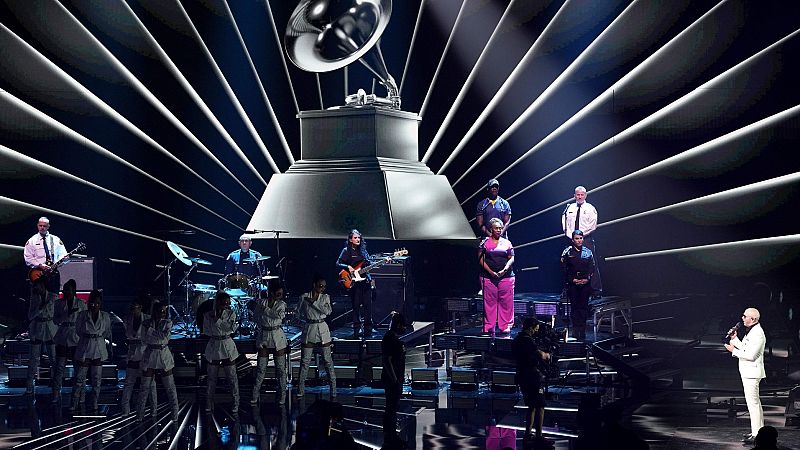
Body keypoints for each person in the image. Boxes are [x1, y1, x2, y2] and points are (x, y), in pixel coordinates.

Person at [23, 216, 68, 395]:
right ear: (37, 226)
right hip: (39, 275)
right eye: (40, 225)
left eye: (45, 226)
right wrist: (41, 266)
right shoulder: (32, 241)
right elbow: (28, 259)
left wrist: (59, 263)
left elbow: (64, 256)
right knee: (33, 357)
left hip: (53, 276)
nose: (42, 228)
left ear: (49, 226)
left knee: (53, 356)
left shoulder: (55, 240)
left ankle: (56, 388)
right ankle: (29, 388)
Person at [725, 307, 766, 445]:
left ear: (752, 319)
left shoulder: (758, 334)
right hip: (749, 373)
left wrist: (733, 351)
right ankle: (757, 432)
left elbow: (751, 355)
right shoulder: (752, 331)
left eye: (745, 316)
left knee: (753, 405)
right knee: (754, 404)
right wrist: (734, 339)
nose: (742, 318)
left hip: (752, 373)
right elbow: (745, 348)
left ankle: (757, 434)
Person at [137, 301, 180, 423]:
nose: (162, 313)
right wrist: (156, 334)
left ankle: (175, 415)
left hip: (163, 355)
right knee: (144, 388)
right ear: (154, 311)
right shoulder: (146, 323)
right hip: (150, 354)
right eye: (160, 311)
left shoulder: (167, 323)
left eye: (164, 311)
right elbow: (144, 339)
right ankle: (139, 416)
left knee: (170, 387)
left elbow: (165, 338)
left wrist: (151, 332)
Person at [71, 289, 112, 412]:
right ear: (89, 303)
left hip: (98, 347)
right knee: (79, 378)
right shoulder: (82, 315)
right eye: (92, 303)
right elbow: (78, 330)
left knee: (97, 379)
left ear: (101, 304)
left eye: (97, 303)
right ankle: (75, 402)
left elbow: (106, 332)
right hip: (85, 346)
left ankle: (95, 403)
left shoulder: (105, 316)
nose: (94, 306)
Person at [512, 317, 551, 446]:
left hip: (522, 376)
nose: (536, 332)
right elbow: (539, 355)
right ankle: (538, 436)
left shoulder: (516, 340)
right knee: (540, 405)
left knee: (532, 406)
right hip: (532, 377)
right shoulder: (527, 340)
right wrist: (547, 355)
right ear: (530, 328)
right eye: (535, 329)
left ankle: (528, 435)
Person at [296, 274, 336, 398]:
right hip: (310, 328)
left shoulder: (325, 297)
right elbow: (298, 313)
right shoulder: (304, 297)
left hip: (322, 328)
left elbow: (328, 312)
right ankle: (300, 389)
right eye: (320, 286)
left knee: (328, 361)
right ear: (314, 285)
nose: (322, 288)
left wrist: (314, 303)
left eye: (324, 286)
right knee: (305, 362)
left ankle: (333, 389)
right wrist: (304, 321)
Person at [251, 280, 289, 405]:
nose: (280, 296)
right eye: (278, 294)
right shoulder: (261, 303)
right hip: (264, 336)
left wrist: (266, 310)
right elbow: (255, 317)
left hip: (277, 336)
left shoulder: (281, 304)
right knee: (261, 369)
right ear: (271, 293)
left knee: (281, 369)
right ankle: (255, 394)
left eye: (281, 294)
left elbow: (279, 316)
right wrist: (262, 321)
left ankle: (282, 395)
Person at [203, 291, 240, 418]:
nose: (226, 305)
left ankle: (236, 402)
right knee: (211, 378)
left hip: (227, 345)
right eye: (224, 303)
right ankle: (209, 402)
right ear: (217, 302)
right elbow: (206, 331)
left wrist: (217, 321)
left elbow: (230, 329)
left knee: (232, 377)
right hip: (214, 345)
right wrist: (216, 322)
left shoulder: (231, 314)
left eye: (228, 303)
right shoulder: (208, 315)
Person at [561, 186, 602, 296]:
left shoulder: (590, 208)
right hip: (571, 239)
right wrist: (572, 236)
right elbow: (565, 224)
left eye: (582, 195)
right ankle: (568, 288)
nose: (579, 197)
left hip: (586, 239)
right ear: (574, 195)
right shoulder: (569, 208)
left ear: (585, 195)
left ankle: (595, 290)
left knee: (591, 264)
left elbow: (592, 225)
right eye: (578, 195)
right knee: (569, 264)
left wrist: (580, 236)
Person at [479, 217, 515, 335]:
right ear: (491, 229)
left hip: (506, 277)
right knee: (489, 303)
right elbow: (481, 259)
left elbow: (511, 258)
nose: (499, 230)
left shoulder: (507, 243)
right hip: (488, 277)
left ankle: (505, 326)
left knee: (506, 302)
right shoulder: (485, 243)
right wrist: (490, 272)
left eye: (500, 228)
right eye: (496, 228)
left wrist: (505, 269)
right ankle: (489, 326)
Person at [121, 297, 157, 415]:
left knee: (150, 384)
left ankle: (153, 410)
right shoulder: (128, 319)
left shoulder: (147, 318)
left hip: (145, 353)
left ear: (140, 307)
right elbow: (128, 334)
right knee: (129, 382)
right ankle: (125, 410)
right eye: (132, 308)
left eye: (135, 308)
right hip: (132, 353)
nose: (133, 310)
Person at [52, 279, 86, 402]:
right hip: (63, 336)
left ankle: (80, 394)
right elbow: (55, 320)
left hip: (76, 338)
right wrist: (66, 314)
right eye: (64, 290)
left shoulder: (81, 303)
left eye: (68, 290)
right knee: (59, 367)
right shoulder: (58, 303)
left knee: (79, 368)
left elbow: (84, 320)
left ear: (73, 290)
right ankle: (56, 393)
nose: (66, 292)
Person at [337, 229, 374, 338]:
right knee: (356, 307)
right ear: (350, 239)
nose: (358, 239)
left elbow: (368, 264)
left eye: (359, 238)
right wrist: (348, 266)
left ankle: (368, 330)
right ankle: (357, 330)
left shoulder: (363, 251)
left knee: (368, 307)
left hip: (365, 281)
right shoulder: (346, 250)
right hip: (354, 283)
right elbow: (338, 263)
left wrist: (377, 264)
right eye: (355, 238)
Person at [560, 230, 595, 341]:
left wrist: (586, 279)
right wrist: (572, 279)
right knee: (575, 308)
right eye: (577, 238)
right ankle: (575, 331)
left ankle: (582, 330)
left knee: (583, 307)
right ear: (572, 240)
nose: (579, 240)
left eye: (581, 238)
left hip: (585, 284)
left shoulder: (588, 252)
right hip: (573, 284)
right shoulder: (567, 252)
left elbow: (592, 268)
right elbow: (563, 268)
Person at [382, 313, 407, 448]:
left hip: (396, 379)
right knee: (391, 408)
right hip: (393, 380)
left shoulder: (393, 338)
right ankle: (390, 437)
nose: (404, 329)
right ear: (398, 325)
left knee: (392, 408)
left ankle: (391, 435)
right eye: (403, 326)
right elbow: (387, 361)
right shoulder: (390, 339)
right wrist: (395, 380)